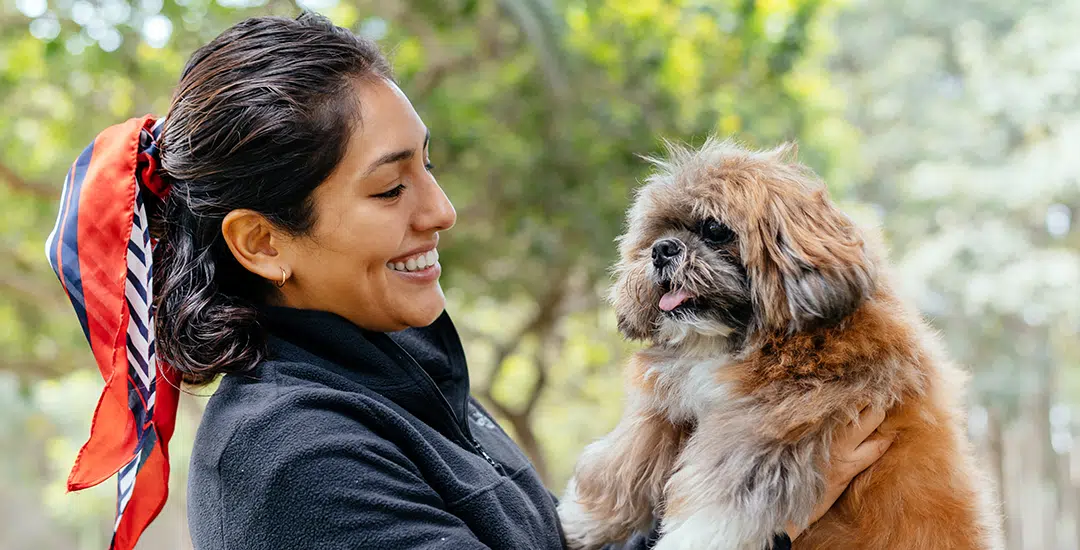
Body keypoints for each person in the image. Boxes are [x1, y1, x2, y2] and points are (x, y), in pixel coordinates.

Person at [45, 12, 892, 550]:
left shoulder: (399, 375)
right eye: (390, 187)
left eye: (431, 166)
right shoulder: (293, 460)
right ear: (264, 243)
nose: (441, 210)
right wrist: (771, 522)